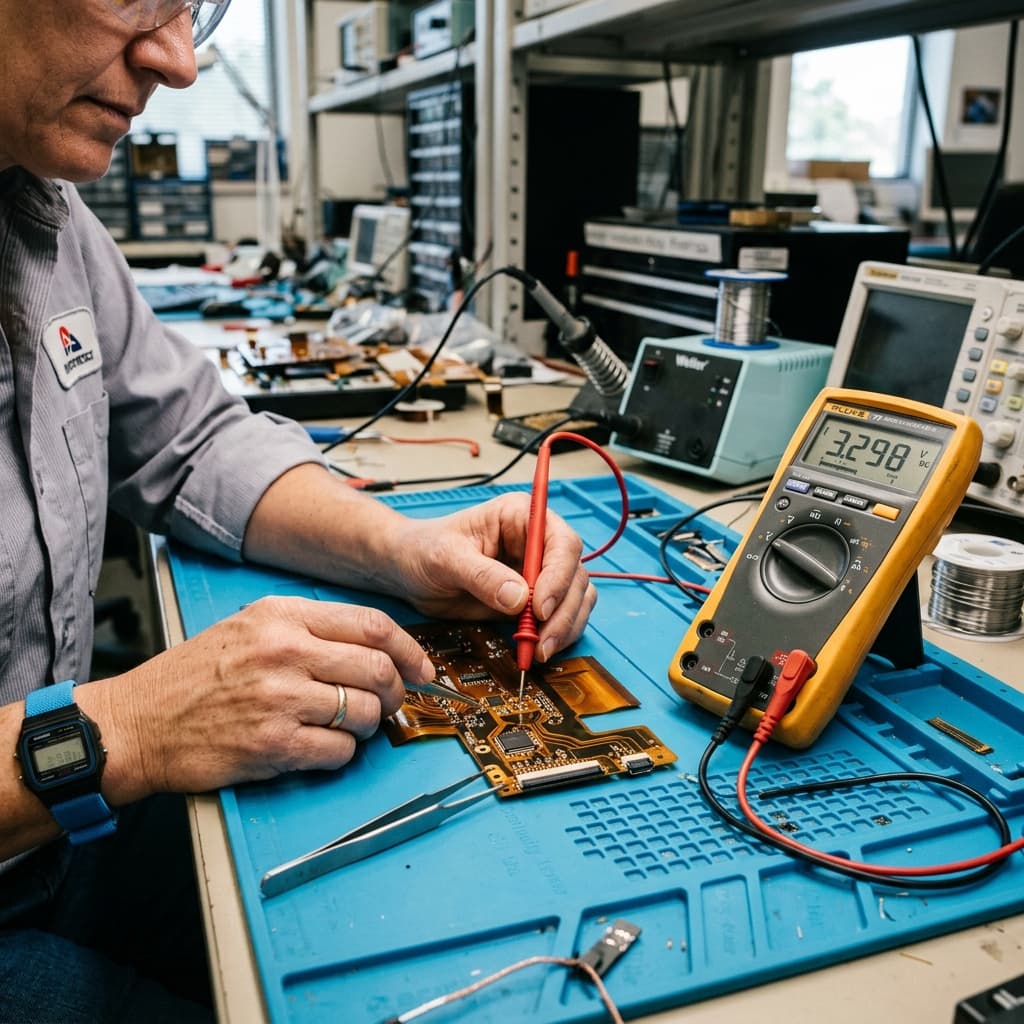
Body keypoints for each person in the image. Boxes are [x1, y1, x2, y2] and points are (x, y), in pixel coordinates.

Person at [0, 2, 597, 1019]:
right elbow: (120, 728)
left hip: (44, 835)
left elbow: (193, 441)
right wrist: (132, 723)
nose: (179, 62)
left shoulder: (47, 218)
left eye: (194, 10)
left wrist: (405, 549)